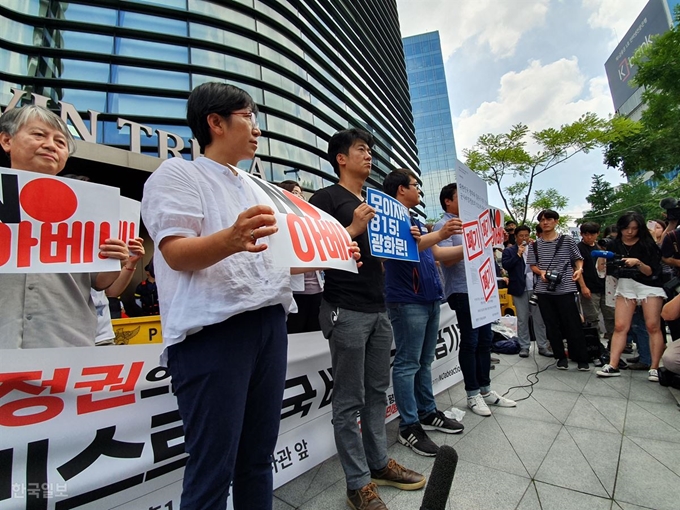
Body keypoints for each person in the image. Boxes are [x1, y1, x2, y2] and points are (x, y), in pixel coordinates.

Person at [141, 83, 361, 510]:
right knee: (212, 467)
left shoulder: (259, 189)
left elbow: (273, 261)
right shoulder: (178, 174)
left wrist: (330, 255)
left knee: (258, 459)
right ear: (216, 123)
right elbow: (175, 253)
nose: (258, 129)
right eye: (249, 117)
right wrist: (232, 237)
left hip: (268, 325)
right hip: (213, 334)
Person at [310, 129, 425, 510]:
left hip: (379, 307)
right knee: (348, 399)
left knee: (377, 392)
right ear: (340, 157)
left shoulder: (379, 202)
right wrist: (354, 229)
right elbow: (315, 252)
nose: (369, 156)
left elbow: (386, 256)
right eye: (361, 149)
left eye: (370, 151)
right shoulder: (325, 199)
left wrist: (407, 239)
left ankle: (378, 464)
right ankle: (357, 483)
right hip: (346, 308)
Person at [0, 105, 136, 348]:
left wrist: (116, 260)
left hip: (66, 343)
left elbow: (101, 282)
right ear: (6, 140)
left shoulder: (91, 207)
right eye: (39, 135)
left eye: (60, 142)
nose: (51, 145)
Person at [382, 169, 465, 457]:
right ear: (401, 190)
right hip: (407, 300)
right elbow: (403, 250)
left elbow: (438, 254)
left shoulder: (416, 220)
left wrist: (472, 246)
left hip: (430, 298)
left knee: (424, 360)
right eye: (415, 186)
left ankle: (427, 412)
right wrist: (440, 233)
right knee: (407, 363)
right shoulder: (387, 219)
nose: (419, 190)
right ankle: (409, 425)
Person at [434, 183, 517, 417]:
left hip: (483, 289)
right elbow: (446, 260)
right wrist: (474, 245)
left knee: (485, 339)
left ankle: (486, 389)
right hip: (462, 290)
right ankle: (472, 394)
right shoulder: (445, 225)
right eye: (461, 196)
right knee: (470, 341)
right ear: (448, 201)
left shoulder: (475, 225)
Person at [596, 212, 665, 382]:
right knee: (620, 326)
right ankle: (613, 364)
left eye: (634, 229)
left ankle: (654, 367)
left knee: (652, 325)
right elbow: (610, 270)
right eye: (626, 228)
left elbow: (652, 272)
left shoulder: (647, 245)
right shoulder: (614, 244)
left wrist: (638, 263)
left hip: (648, 285)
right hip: (625, 283)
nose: (630, 232)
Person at [526, 209, 590, 371]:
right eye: (542, 220)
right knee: (551, 324)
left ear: (556, 221)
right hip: (544, 290)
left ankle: (581, 357)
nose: (545, 222)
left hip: (566, 288)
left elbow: (578, 259)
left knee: (573, 323)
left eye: (549, 219)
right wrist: (541, 272)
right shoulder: (535, 245)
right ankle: (560, 357)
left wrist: (579, 270)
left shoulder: (567, 240)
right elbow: (532, 264)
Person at [277, 179, 324, 333]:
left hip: (317, 290)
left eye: (301, 194)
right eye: (295, 192)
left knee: (315, 333)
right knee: (296, 333)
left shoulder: (310, 222)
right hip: (295, 292)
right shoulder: (279, 222)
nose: (300, 197)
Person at [502, 225, 552, 358]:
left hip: (536, 287)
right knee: (522, 318)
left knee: (539, 318)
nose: (523, 238)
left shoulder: (535, 249)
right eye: (521, 236)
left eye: (526, 235)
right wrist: (518, 254)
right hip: (519, 288)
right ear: (516, 237)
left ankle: (542, 345)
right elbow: (506, 266)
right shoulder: (509, 250)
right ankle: (524, 346)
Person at [576, 222, 614, 341]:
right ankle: (596, 345)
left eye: (592, 234)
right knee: (592, 319)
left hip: (605, 286)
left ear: (597, 234)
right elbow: (577, 269)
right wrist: (583, 287)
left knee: (611, 317)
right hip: (589, 287)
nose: (589, 237)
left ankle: (613, 344)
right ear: (581, 234)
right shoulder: (579, 248)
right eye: (586, 234)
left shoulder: (601, 247)